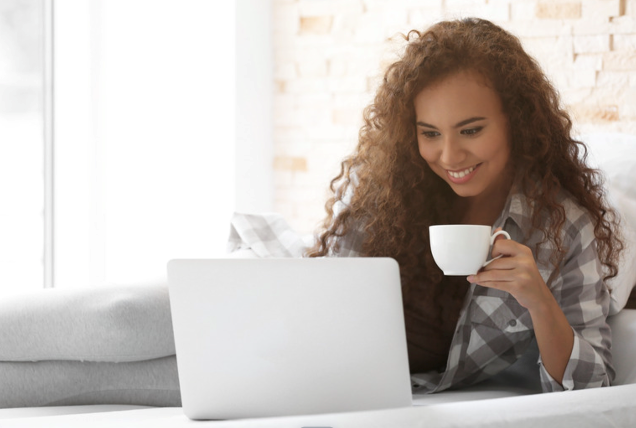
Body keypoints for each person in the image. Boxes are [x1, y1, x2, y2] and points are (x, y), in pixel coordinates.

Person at [304, 17, 623, 393]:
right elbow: (319, 308)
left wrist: (539, 301)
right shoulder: (382, 193)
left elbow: (591, 387)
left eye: (471, 130)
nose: (450, 156)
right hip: (349, 388)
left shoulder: (560, 227)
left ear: (516, 121)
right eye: (430, 134)